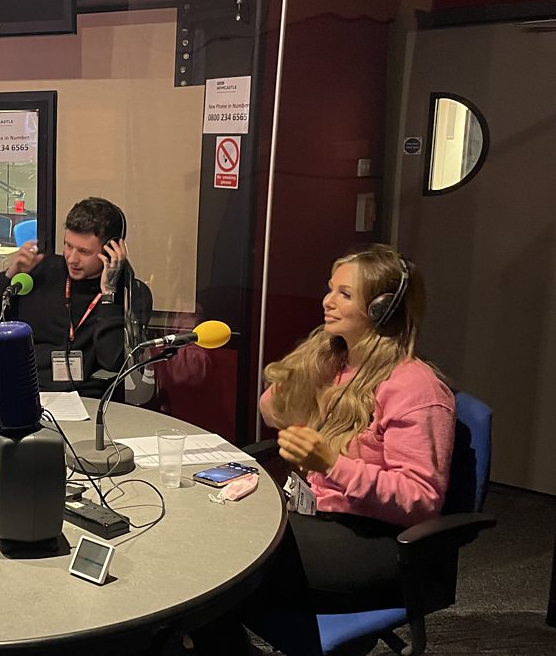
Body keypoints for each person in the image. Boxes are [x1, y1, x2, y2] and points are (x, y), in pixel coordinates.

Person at [192, 244, 455, 656]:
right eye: (330, 289)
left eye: (344, 294)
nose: (327, 301)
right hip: (319, 518)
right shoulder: (339, 363)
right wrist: (307, 369)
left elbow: (420, 500)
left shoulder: (415, 389)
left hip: (376, 539)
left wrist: (332, 464)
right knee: (211, 542)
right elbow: (273, 412)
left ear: (382, 309)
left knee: (226, 564)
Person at [0, 196, 130, 397]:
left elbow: (112, 361)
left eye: (84, 251)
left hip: (87, 400)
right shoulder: (43, 270)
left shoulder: (127, 291)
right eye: (68, 246)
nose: (72, 259)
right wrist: (11, 273)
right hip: (26, 390)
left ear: (110, 251)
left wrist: (108, 293)